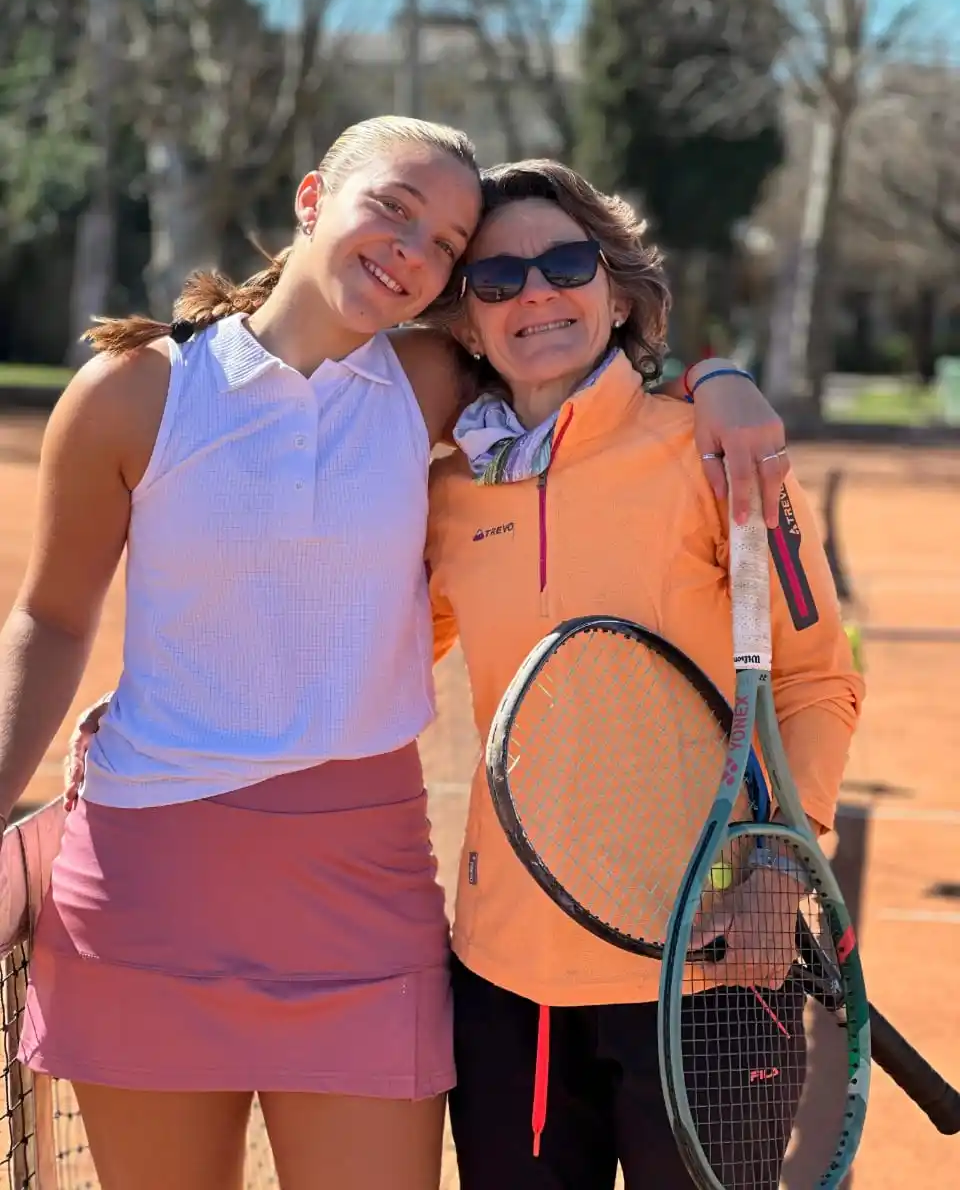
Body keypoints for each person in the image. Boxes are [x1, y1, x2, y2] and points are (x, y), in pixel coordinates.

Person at [12, 114, 785, 1190]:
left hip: (361, 899)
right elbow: (49, 619)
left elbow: (583, 360)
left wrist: (719, 374)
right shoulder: (137, 388)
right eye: (394, 208)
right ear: (313, 195)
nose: (414, 250)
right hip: (146, 893)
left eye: (444, 243)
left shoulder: (427, 382)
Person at [422, 159, 865, 1189]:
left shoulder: (715, 454)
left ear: (616, 291)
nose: (535, 290)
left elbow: (813, 682)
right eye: (496, 278)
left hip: (712, 967)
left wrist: (782, 867)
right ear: (467, 325)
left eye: (565, 261)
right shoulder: (443, 494)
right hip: (505, 984)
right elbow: (368, 670)